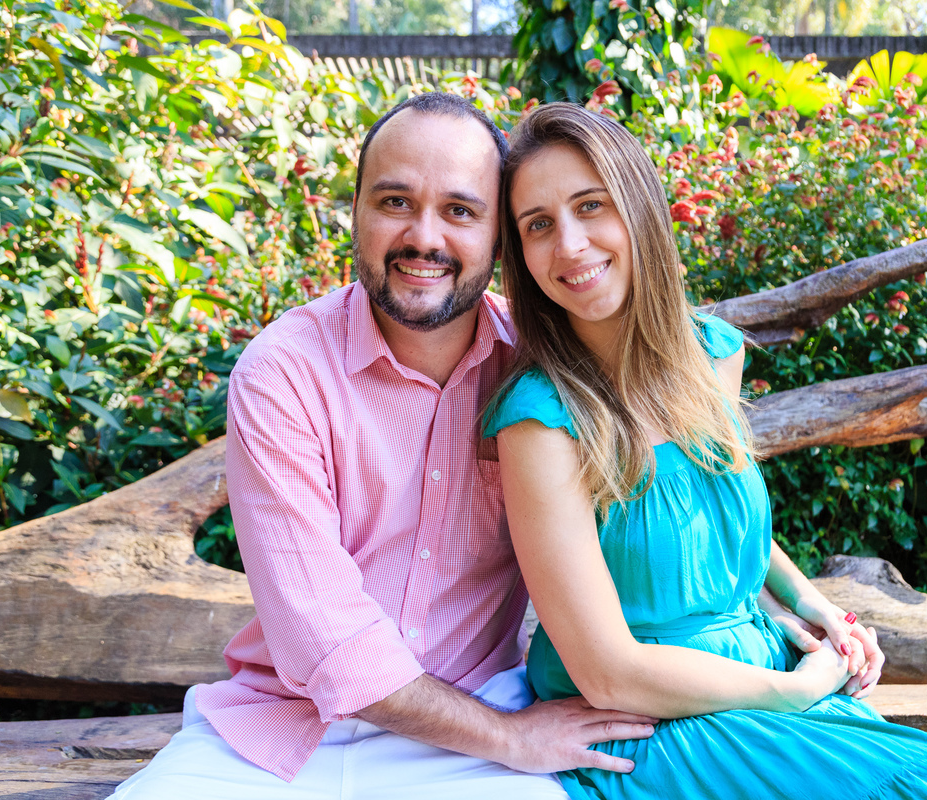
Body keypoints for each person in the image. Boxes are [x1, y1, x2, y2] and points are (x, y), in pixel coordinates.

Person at [481, 101, 927, 800]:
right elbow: (609, 673)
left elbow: (708, 513)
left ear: (640, 208)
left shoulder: (711, 355)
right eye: (538, 225)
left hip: (761, 673)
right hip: (647, 722)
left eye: (591, 206)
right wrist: (793, 691)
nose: (571, 245)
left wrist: (811, 603)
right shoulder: (541, 421)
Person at [109, 92, 658, 800]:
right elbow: (324, 639)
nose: (423, 238)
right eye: (395, 202)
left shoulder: (541, 372)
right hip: (283, 730)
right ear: (356, 213)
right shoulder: (285, 371)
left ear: (499, 237)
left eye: (460, 211)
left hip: (477, 723)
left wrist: (781, 604)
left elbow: (673, 491)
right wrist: (511, 738)